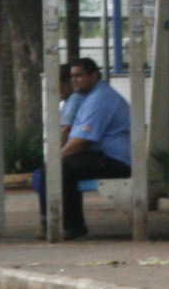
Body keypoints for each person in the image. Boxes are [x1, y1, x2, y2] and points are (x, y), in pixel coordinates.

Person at [33, 57, 132, 240]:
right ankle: (56, 222)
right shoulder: (89, 97)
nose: (74, 80)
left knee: (60, 168)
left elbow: (81, 141)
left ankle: (70, 225)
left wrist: (56, 159)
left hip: (118, 161)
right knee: (59, 167)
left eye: (79, 76)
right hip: (103, 155)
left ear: (94, 76)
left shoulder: (100, 99)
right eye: (72, 76)